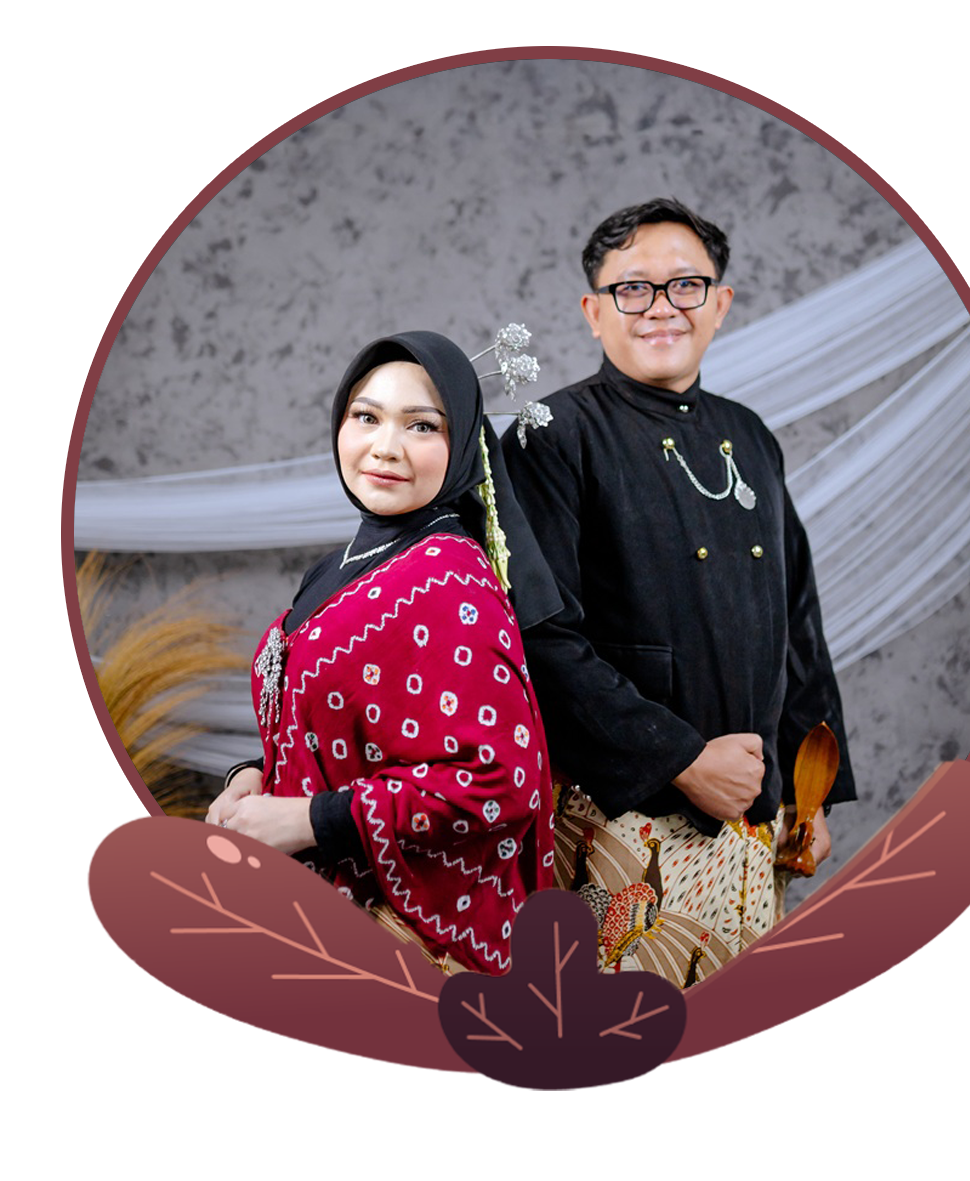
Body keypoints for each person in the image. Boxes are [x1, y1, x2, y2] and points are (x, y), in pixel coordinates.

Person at [502, 198, 856, 986]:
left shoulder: (750, 435)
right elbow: (537, 635)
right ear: (593, 312)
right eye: (633, 288)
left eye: (685, 285)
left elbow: (796, 619)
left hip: (755, 822)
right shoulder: (549, 433)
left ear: (719, 304)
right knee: (618, 1038)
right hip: (617, 822)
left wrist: (810, 793)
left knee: (740, 1036)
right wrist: (682, 758)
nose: (660, 307)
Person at [206, 331, 558, 976]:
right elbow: (330, 725)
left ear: (462, 445)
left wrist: (311, 820)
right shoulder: (337, 567)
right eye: (366, 417)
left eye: (421, 426)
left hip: (395, 941)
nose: (385, 447)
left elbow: (501, 779)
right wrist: (253, 775)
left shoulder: (449, 579)